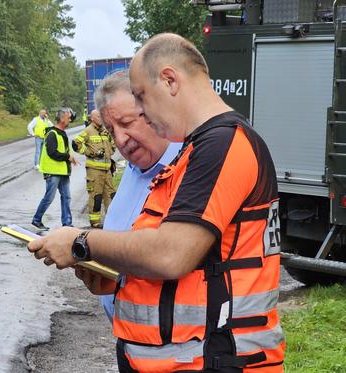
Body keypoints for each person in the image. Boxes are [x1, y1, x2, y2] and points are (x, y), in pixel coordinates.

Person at [28, 33, 285, 372]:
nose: (145, 113)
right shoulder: (195, 152)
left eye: (141, 97)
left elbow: (170, 253)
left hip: (215, 360)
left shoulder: (222, 145)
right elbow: (180, 256)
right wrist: (116, 274)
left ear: (169, 80)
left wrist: (80, 241)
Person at [92, 70, 182, 320]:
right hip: (131, 341)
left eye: (127, 123)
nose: (120, 139)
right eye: (111, 130)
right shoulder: (133, 170)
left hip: (172, 352)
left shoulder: (188, 168)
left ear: (154, 112)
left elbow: (167, 255)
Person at [31, 108, 78, 230]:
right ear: (62, 119)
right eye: (68, 117)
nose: (70, 120)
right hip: (53, 172)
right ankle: (36, 219)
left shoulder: (61, 133)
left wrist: (69, 158)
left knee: (66, 197)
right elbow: (52, 152)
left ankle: (67, 223)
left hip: (62, 172)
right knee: (49, 198)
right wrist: (68, 157)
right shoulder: (52, 134)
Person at [72, 109, 117, 228]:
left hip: (107, 170)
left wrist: (111, 149)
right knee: (96, 196)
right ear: (92, 118)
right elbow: (75, 145)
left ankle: (112, 220)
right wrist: (89, 152)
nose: (101, 118)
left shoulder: (105, 131)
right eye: (98, 116)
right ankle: (95, 222)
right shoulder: (88, 131)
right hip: (94, 171)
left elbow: (113, 143)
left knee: (111, 195)